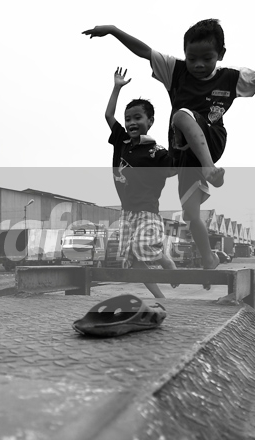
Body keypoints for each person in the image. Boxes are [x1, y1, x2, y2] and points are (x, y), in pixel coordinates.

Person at [82, 20, 255, 271]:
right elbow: (144, 51)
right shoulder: (175, 70)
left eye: (207, 58)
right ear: (184, 54)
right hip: (184, 155)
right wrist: (113, 30)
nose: (198, 65)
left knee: (181, 114)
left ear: (221, 54)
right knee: (190, 214)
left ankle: (210, 168)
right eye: (192, 58)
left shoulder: (232, 77)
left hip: (211, 141)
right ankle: (209, 258)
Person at [105, 67, 178, 298]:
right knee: (131, 259)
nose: (131, 122)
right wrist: (117, 87)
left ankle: (166, 261)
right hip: (127, 212)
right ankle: (160, 297)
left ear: (150, 121)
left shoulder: (157, 152)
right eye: (128, 119)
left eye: (137, 118)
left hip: (147, 211)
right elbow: (109, 116)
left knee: (141, 247)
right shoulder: (122, 141)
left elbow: (174, 169)